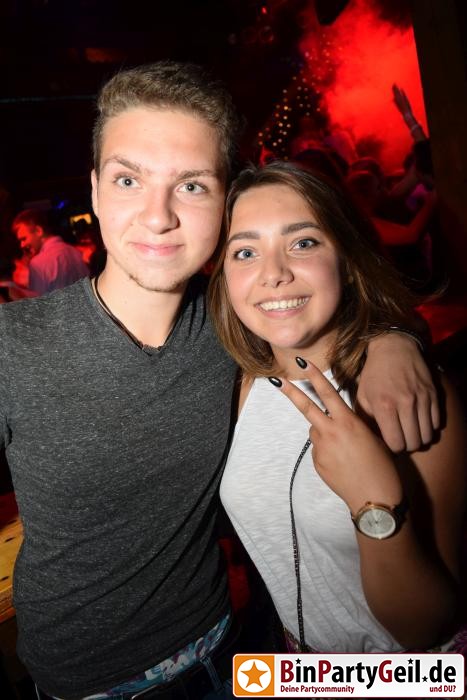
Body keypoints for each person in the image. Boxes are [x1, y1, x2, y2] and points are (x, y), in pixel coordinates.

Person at [1, 62, 441, 699]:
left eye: (191, 186)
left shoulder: (235, 325)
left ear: (224, 203)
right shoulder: (13, 346)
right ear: (94, 189)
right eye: (128, 180)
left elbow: (334, 307)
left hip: (236, 654)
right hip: (87, 685)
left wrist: (394, 340)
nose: (158, 217)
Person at [209, 161, 466, 654]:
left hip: (409, 678)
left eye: (303, 243)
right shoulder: (242, 383)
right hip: (301, 668)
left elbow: (426, 628)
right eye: (245, 252)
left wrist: (373, 501)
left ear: (346, 259)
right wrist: (400, 334)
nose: (274, 274)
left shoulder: (408, 397)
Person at [11, 208, 88, 297]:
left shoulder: (38, 262)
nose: (22, 245)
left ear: (38, 231)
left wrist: (21, 290)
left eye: (24, 239)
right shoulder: (76, 252)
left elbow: (39, 302)